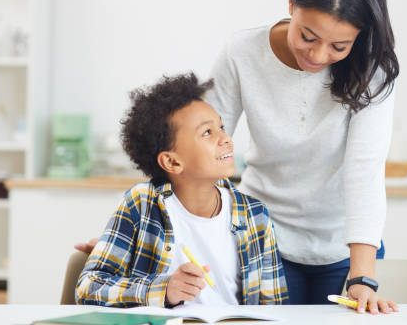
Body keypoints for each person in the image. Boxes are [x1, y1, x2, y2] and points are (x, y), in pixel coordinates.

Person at [78, 0, 399, 314]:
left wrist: (362, 276)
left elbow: (364, 171)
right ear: (291, 2)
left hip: (347, 246)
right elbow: (190, 148)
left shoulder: (373, 71)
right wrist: (141, 234)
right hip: (259, 238)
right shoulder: (244, 51)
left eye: (339, 46)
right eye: (308, 36)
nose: (319, 55)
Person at [75, 73, 288, 307]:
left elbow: (274, 309)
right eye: (207, 132)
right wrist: (162, 290)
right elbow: (89, 287)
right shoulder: (142, 204)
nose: (226, 138)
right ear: (172, 162)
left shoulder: (255, 215)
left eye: (221, 127)